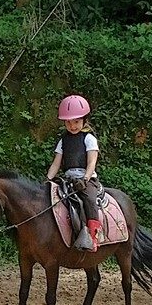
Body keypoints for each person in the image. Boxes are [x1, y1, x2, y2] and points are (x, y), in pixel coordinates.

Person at [46, 94, 101, 251]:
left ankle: (92, 236)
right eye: (68, 122)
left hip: (86, 179)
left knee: (89, 200)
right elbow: (56, 163)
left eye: (76, 121)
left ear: (84, 119)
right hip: (68, 179)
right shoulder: (63, 140)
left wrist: (85, 178)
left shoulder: (89, 138)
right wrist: (48, 179)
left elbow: (91, 162)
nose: (72, 125)